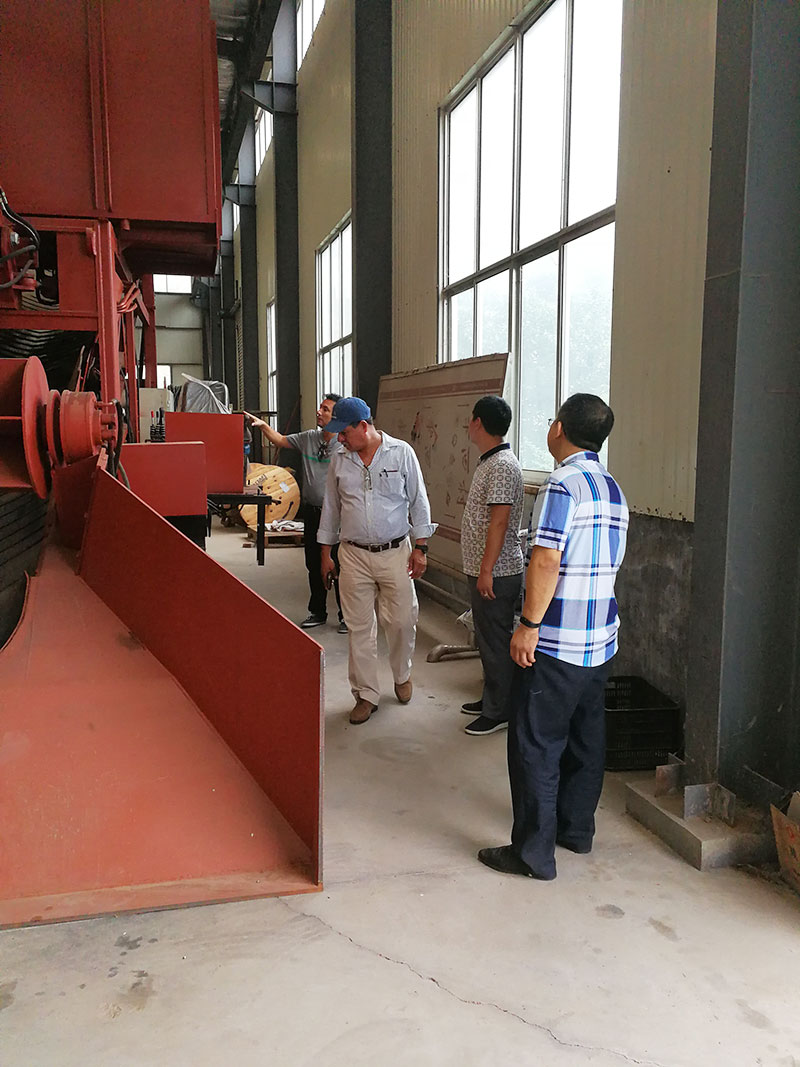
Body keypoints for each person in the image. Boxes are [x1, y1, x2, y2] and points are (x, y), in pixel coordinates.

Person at [478, 393, 628, 881]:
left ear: (559, 428)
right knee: (586, 737)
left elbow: (546, 559)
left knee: (535, 743)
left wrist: (528, 626)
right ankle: (575, 830)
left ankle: (532, 854)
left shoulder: (562, 485)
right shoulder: (612, 487)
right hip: (600, 639)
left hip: (558, 641)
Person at [318, 397, 437, 725]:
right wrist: (326, 554)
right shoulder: (339, 459)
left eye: (344, 432)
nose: (340, 438)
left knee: (401, 621)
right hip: (353, 554)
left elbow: (419, 501)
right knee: (359, 628)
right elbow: (331, 508)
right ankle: (366, 694)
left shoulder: (401, 453)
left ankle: (402, 674)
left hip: (396, 552)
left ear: (363, 426)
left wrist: (421, 547)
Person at [246, 395, 347, 632]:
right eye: (320, 407)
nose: (319, 412)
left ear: (337, 416)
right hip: (312, 512)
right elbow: (281, 440)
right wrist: (263, 426)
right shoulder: (309, 438)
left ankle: (346, 616)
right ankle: (318, 611)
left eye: (325, 409)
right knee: (313, 563)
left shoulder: (345, 444)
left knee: (341, 564)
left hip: (339, 515)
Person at [460, 396, 525, 737]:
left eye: (470, 419)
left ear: (478, 422)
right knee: (487, 641)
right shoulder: (491, 461)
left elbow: (499, 522)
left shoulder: (501, 465)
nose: (468, 425)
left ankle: (499, 711)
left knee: (496, 643)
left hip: (497, 573)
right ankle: (492, 699)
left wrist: (486, 570)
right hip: (485, 569)